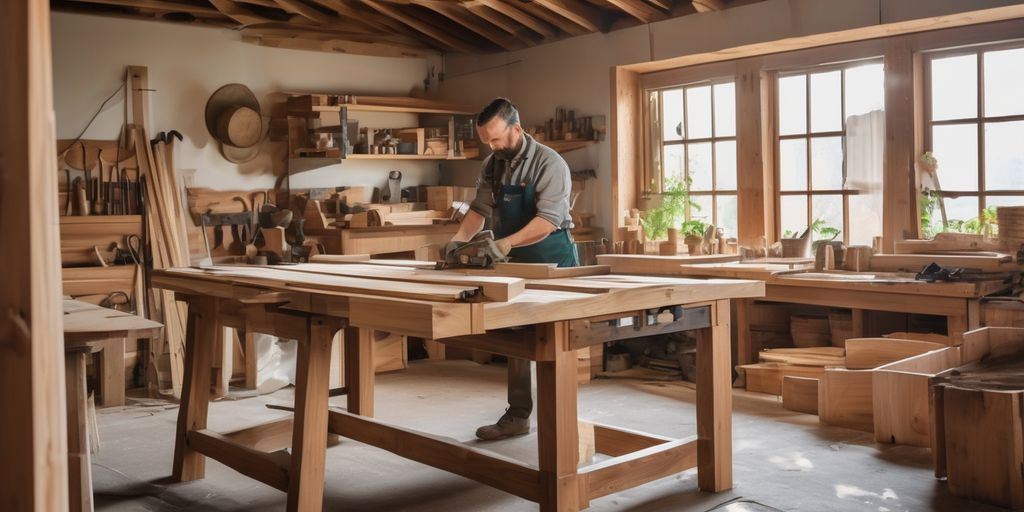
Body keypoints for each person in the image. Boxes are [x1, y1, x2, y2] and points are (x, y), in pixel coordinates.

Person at [448, 97, 578, 441]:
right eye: (486, 141)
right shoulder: (493, 164)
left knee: (557, 341)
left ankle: (562, 422)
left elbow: (548, 220)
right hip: (514, 261)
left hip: (552, 258)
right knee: (518, 338)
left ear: (516, 129)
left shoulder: (550, 164)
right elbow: (479, 209)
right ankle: (519, 415)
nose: (491, 147)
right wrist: (458, 240)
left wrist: (505, 243)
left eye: (495, 139)